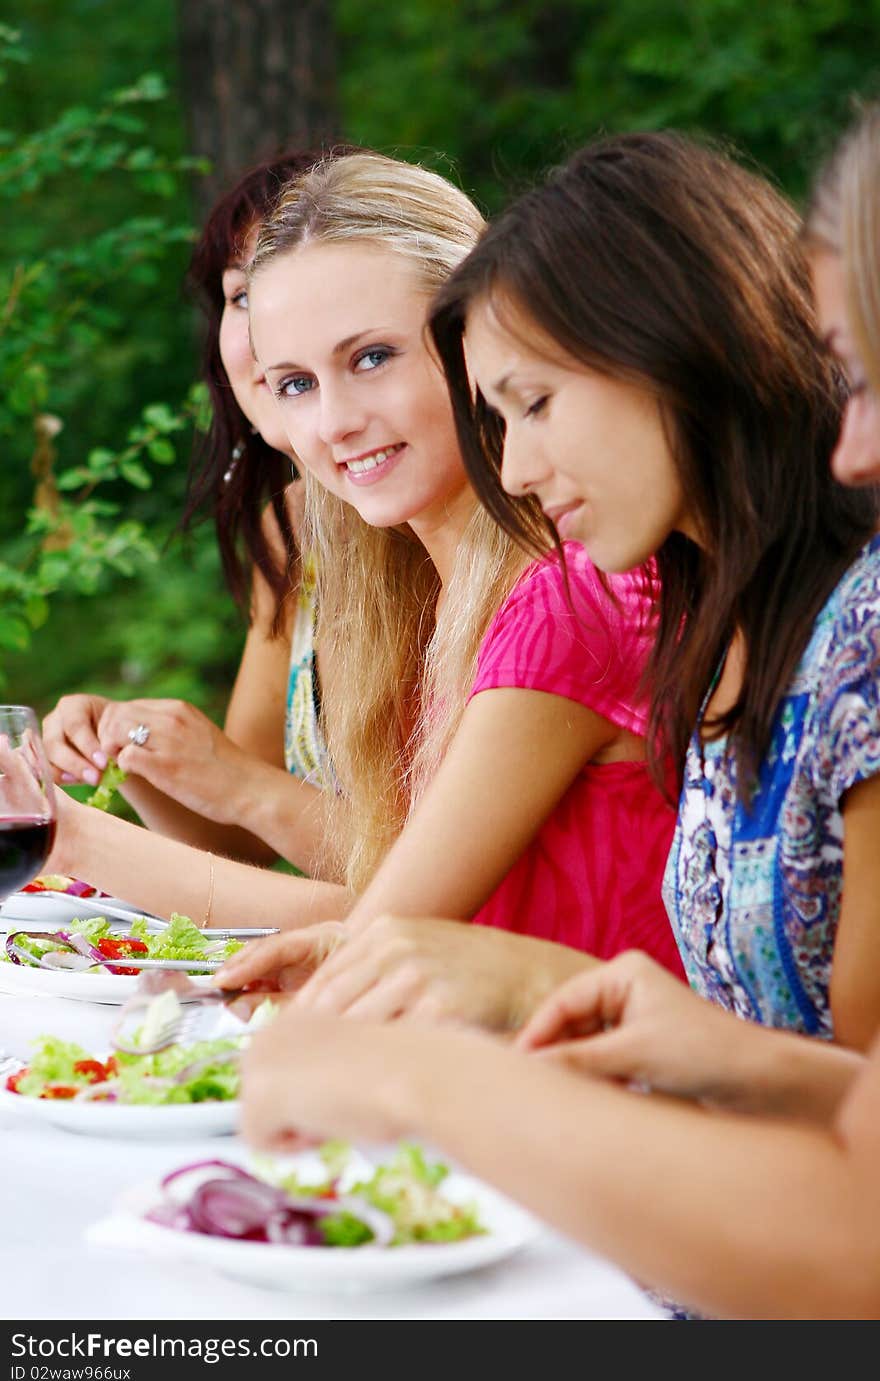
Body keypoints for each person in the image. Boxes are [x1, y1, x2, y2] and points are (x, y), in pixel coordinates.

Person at [237, 116, 880, 1320]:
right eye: (498, 416)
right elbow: (827, 1086)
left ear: (674, 347)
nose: (517, 467)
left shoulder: (848, 641)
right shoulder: (712, 623)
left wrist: (434, 1076)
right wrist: (574, 997)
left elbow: (860, 1200)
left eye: (533, 404)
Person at [44, 153, 681, 1017]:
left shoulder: (573, 595)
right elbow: (371, 913)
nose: (333, 423)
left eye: (373, 357)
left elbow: (374, 943)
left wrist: (61, 831)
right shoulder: (412, 590)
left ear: (481, 341)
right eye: (295, 384)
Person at [41, 150, 340, 876]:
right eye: (242, 295)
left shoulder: (447, 526)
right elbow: (246, 836)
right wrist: (136, 752)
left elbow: (426, 879)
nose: (267, 331)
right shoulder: (293, 524)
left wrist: (76, 839)